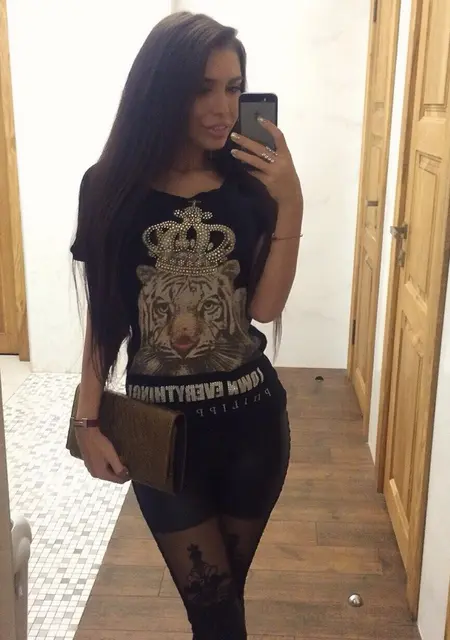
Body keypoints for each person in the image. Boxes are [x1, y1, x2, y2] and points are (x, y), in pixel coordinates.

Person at [71, 10, 303, 639]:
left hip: (253, 426)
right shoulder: (108, 188)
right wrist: (87, 420)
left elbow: (263, 308)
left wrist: (291, 202)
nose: (222, 108)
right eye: (203, 88)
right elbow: (104, 316)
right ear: (161, 89)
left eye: (233, 87)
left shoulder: (252, 187)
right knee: (214, 609)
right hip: (159, 435)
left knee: (224, 607)